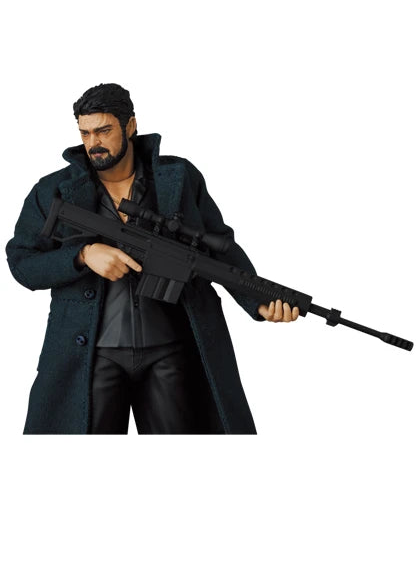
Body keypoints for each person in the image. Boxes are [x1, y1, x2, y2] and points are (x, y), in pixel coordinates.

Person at [6, 83, 299, 435]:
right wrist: (82, 255)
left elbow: (219, 248)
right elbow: (22, 262)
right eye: (85, 133)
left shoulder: (177, 178)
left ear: (130, 125)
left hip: (170, 351)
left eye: (104, 130)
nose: (93, 142)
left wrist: (258, 300)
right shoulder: (54, 190)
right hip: (91, 354)